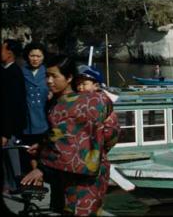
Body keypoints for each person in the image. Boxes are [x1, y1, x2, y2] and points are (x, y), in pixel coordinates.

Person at [21, 55, 114, 215]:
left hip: (78, 177)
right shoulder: (98, 100)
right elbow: (112, 133)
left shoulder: (62, 106)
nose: (49, 81)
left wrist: (42, 167)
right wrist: (94, 151)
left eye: (54, 76)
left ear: (69, 77)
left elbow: (64, 141)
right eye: (46, 76)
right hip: (91, 170)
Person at [1, 39, 27, 193]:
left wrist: (6, 132)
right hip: (6, 124)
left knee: (12, 157)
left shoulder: (13, 73)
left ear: (9, 53)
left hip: (10, 126)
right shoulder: (7, 71)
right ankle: (10, 184)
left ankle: (17, 185)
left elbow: (11, 106)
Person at [20, 42, 50, 174]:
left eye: (38, 56)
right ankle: (33, 174)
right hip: (27, 117)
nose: (35, 59)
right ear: (27, 56)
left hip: (44, 116)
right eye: (32, 55)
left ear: (43, 57)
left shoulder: (49, 72)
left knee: (43, 147)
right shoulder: (21, 71)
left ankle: (42, 173)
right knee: (29, 150)